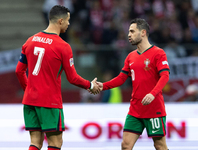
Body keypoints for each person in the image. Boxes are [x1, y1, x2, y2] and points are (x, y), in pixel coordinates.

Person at [15, 5, 100, 150]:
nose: (69, 24)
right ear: (60, 21)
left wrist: (29, 89)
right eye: (68, 20)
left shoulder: (30, 41)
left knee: (35, 142)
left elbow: (19, 71)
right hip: (49, 102)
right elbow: (72, 78)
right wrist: (90, 86)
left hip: (30, 100)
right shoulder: (63, 46)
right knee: (55, 143)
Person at [96, 18, 170, 150]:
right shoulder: (130, 56)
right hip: (135, 110)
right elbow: (121, 78)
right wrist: (103, 86)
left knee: (160, 145)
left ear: (143, 32)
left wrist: (153, 94)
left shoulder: (158, 53)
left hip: (154, 109)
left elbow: (165, 76)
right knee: (126, 145)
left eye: (132, 31)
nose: (128, 35)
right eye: (128, 32)